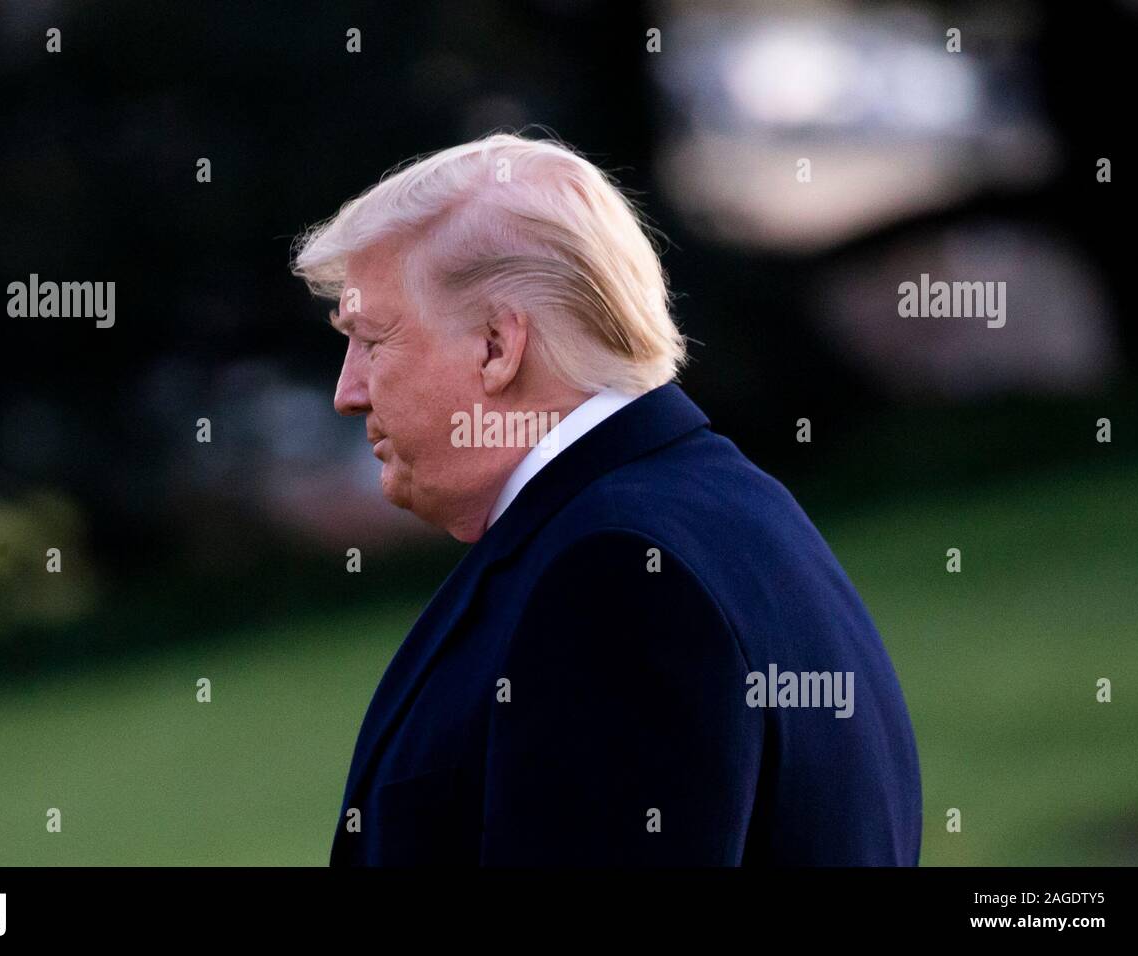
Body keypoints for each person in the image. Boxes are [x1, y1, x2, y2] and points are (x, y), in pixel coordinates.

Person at [291, 131, 922, 865]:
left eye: (371, 340)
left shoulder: (615, 575)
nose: (348, 392)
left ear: (498, 346)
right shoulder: (721, 510)